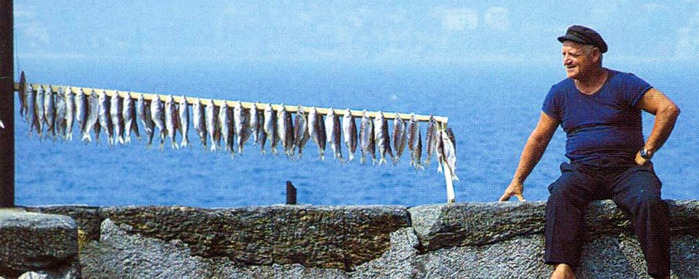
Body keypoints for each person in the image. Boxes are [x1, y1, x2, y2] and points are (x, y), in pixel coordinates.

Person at [499, 25, 680, 279]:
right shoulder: (559, 93)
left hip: (628, 170)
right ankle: (563, 268)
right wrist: (518, 180)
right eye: (563, 54)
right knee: (562, 192)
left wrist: (647, 151)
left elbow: (668, 109)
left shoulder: (623, 83)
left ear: (594, 55)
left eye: (573, 54)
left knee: (648, 200)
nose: (566, 60)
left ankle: (660, 273)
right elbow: (539, 138)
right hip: (583, 170)